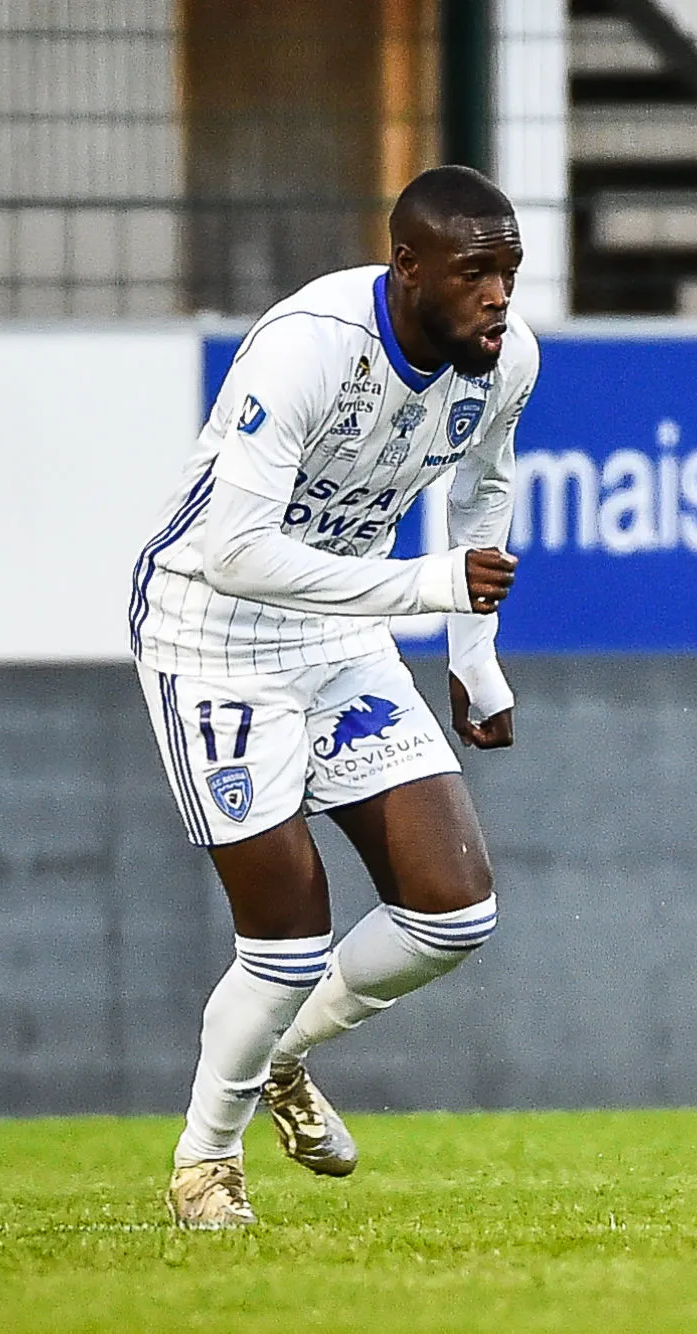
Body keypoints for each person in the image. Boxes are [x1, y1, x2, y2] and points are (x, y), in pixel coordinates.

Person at [129, 165, 536, 1228]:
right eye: (473, 271)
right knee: (285, 940)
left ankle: (280, 1054)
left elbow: (482, 483)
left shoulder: (504, 360)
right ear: (406, 266)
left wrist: (473, 655)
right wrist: (422, 586)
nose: (497, 294)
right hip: (210, 633)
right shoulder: (308, 346)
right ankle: (203, 1165)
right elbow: (233, 553)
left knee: (454, 911)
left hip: (340, 626)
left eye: (508, 271)